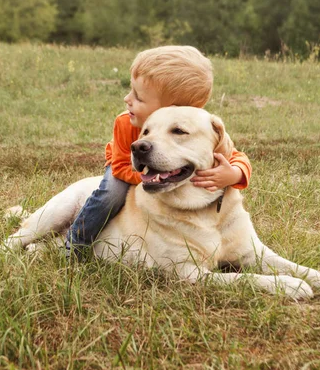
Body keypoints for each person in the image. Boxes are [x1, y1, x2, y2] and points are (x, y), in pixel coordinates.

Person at [65, 46, 252, 259]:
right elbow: (119, 166)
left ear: (171, 108)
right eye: (131, 90)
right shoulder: (125, 122)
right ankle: (75, 243)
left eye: (139, 97)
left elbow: (235, 156)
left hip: (158, 173)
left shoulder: (202, 126)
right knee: (110, 195)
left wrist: (234, 174)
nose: (127, 99)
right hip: (122, 168)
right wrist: (147, 178)